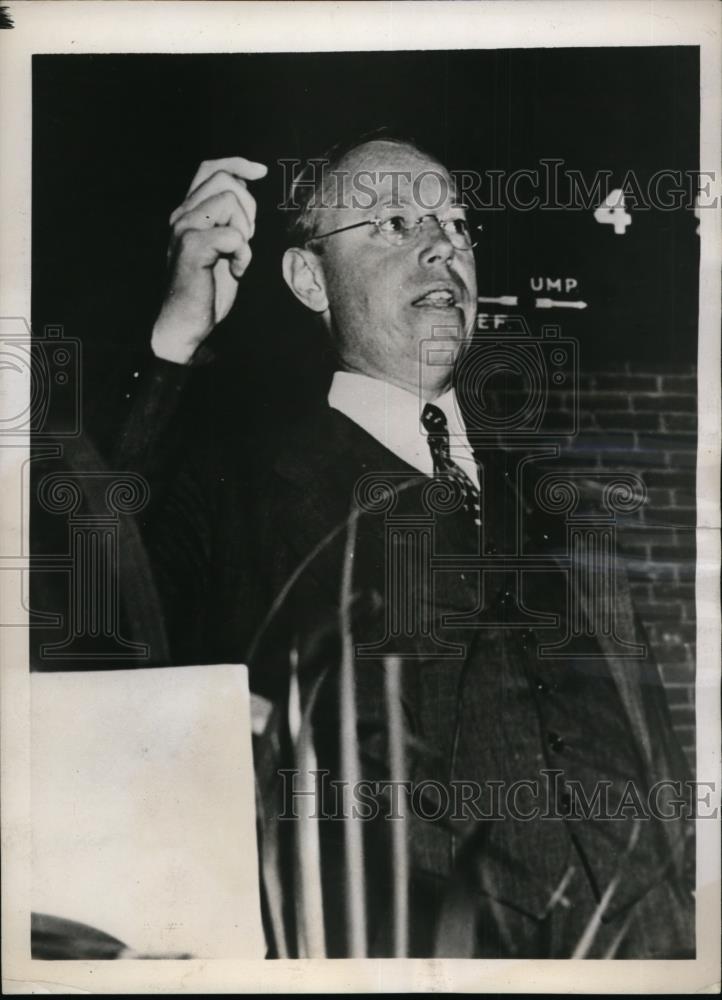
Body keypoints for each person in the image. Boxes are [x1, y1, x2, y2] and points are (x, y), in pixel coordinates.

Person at [113, 133, 694, 958]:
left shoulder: (559, 504)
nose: (440, 243)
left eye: (456, 224)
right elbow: (95, 592)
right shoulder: (233, 494)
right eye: (390, 221)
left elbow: (650, 748)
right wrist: (169, 348)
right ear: (310, 278)